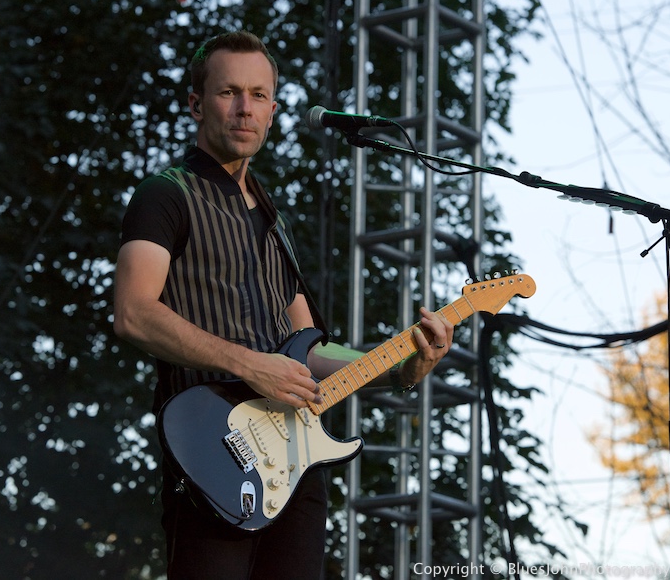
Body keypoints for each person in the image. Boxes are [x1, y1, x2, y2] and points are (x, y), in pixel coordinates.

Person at [112, 30, 454, 580]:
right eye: (228, 93)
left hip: (294, 468)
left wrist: (402, 369)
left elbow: (309, 352)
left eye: (258, 94)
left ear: (274, 108)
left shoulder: (274, 223)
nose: (244, 108)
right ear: (197, 103)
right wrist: (249, 364)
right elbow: (133, 312)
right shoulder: (166, 193)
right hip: (211, 460)